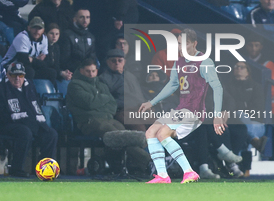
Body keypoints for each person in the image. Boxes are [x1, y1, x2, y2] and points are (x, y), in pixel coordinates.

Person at [138, 29, 223, 184]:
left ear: (194, 44)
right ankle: (162, 175)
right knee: (151, 132)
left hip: (194, 110)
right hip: (181, 108)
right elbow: (172, 85)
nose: (180, 47)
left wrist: (217, 115)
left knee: (163, 133)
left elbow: (217, 87)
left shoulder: (204, 61)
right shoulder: (179, 61)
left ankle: (189, 172)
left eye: (185, 44)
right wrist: (152, 102)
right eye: (178, 44)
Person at [66, 57, 151, 174]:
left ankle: (143, 165)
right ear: (81, 70)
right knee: (119, 137)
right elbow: (89, 103)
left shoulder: (101, 85)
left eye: (93, 71)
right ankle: (149, 162)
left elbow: (112, 104)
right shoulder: (75, 85)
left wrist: (99, 102)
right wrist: (103, 100)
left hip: (107, 119)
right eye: (87, 71)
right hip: (89, 122)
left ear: (97, 71)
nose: (91, 74)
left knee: (128, 135)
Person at [0, 62, 58, 177]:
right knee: (25, 132)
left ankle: (45, 169)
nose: (17, 78)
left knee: (51, 134)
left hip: (30, 122)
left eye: (21, 75)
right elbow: (0, 114)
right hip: (8, 124)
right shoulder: (1, 89)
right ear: (8, 75)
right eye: (14, 75)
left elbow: (35, 107)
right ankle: (17, 169)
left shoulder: (29, 86)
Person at [100, 49, 147, 131]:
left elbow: (139, 95)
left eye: (120, 60)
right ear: (108, 62)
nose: (117, 63)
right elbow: (107, 101)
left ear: (124, 62)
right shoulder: (103, 78)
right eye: (113, 61)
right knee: (140, 128)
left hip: (140, 109)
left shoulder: (131, 76)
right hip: (122, 111)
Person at [1, 16, 56, 83]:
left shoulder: (44, 39)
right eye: (34, 28)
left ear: (43, 30)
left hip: (31, 66)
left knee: (52, 72)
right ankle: (26, 91)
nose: (37, 31)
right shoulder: (22, 37)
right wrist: (37, 61)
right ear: (29, 28)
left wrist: (32, 60)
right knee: (29, 71)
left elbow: (47, 62)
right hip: (10, 65)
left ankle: (51, 92)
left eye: (39, 28)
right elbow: (23, 60)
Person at [59, 8, 96, 73]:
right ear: (75, 19)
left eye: (87, 17)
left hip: (88, 73)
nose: (85, 20)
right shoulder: (67, 35)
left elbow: (92, 57)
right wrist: (81, 69)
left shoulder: (91, 37)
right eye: (82, 17)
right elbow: (64, 60)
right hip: (72, 74)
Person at [44, 23, 72, 95]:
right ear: (45, 34)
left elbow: (56, 65)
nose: (54, 36)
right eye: (51, 33)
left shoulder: (56, 47)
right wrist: (60, 73)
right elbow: (47, 65)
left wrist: (64, 72)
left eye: (57, 34)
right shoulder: (43, 46)